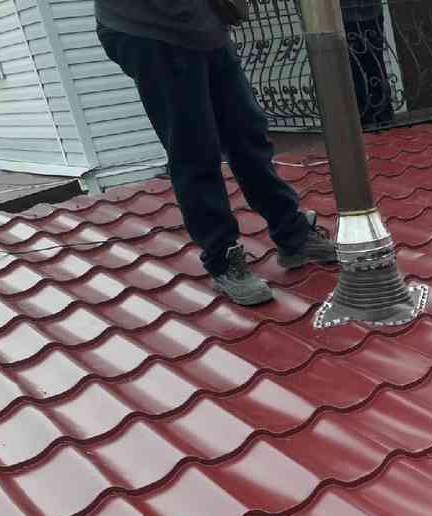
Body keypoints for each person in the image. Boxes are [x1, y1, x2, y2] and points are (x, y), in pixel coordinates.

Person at [94, 0, 337, 306]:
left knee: (248, 134)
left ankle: (293, 233)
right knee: (194, 148)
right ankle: (222, 258)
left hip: (205, 25)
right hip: (151, 28)